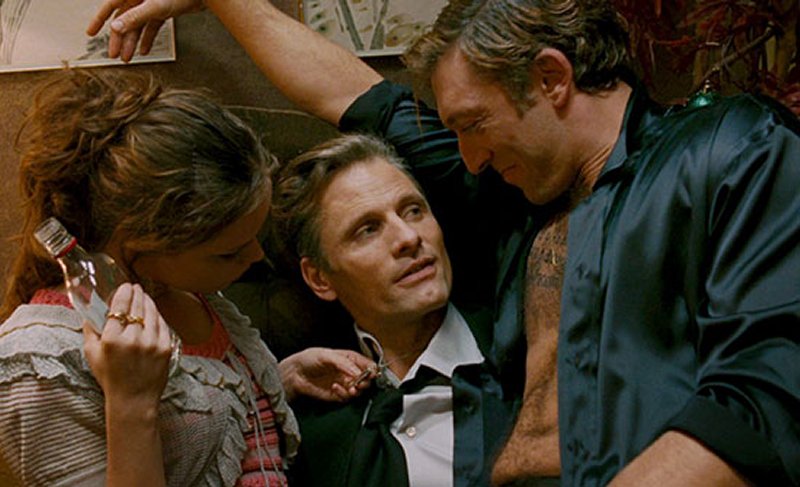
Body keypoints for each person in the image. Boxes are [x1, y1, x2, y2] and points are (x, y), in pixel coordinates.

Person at [90, 0, 800, 485]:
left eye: (470, 123)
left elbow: (767, 393)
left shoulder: (727, 151)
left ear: (551, 78)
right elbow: (354, 98)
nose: (466, 157)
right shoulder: (513, 197)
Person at [0, 68, 374, 486]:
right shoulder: (39, 365)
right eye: (228, 252)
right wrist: (132, 404)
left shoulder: (186, 291)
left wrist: (278, 380)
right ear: (143, 241)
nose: (256, 256)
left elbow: (195, 430)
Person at [270, 133, 511, 486]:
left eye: (413, 210)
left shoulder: (527, 351)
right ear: (320, 278)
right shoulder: (305, 429)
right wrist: (274, 387)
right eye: (367, 230)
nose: (409, 237)